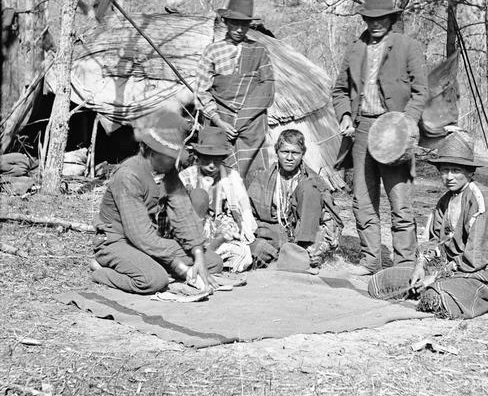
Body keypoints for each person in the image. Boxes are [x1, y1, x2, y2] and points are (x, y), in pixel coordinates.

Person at [332, 0, 428, 276]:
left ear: (391, 19)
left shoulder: (407, 46)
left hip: (395, 131)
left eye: (381, 18)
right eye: (370, 19)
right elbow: (339, 90)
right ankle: (371, 259)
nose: (376, 24)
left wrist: (405, 122)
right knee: (362, 199)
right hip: (361, 130)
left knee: (399, 201)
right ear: (364, 19)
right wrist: (346, 115)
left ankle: (404, 263)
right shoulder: (355, 48)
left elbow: (421, 91)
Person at [368, 131, 488, 319]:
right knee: (381, 282)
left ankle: (449, 292)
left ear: (470, 172)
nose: (449, 177)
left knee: (435, 296)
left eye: (456, 171)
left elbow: (476, 258)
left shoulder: (482, 200)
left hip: (479, 273)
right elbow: (434, 240)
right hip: (445, 267)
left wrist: (435, 276)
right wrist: (421, 266)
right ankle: (427, 286)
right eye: (444, 170)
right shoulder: (446, 200)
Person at [90, 111, 222, 295]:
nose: (173, 161)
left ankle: (153, 264)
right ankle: (101, 270)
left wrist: (198, 254)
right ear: (149, 151)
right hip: (118, 242)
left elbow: (183, 213)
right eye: (168, 155)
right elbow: (140, 236)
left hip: (148, 244)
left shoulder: (169, 173)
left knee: (213, 262)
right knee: (153, 280)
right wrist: (180, 268)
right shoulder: (128, 176)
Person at [195, 0, 275, 181]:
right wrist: (219, 121)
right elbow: (202, 91)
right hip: (220, 121)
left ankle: (249, 207)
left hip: (252, 124)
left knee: (254, 175)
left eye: (244, 24)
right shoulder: (212, 51)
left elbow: (267, 89)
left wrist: (243, 119)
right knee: (217, 169)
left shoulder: (259, 50)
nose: (239, 29)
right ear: (225, 21)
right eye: (234, 23)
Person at [248, 129, 343, 269]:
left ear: (302, 154)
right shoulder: (262, 179)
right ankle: (286, 254)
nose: (289, 158)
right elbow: (250, 216)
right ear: (277, 152)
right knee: (255, 250)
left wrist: (323, 244)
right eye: (285, 152)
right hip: (273, 233)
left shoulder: (313, 181)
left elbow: (329, 218)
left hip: (306, 235)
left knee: (309, 189)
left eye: (295, 153)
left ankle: (299, 252)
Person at [179, 126, 257, 273]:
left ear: (222, 159)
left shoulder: (231, 177)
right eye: (207, 160)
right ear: (198, 157)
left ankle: (210, 258)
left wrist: (236, 231)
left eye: (216, 161)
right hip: (193, 233)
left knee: (244, 256)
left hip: (223, 233)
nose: (211, 165)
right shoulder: (185, 177)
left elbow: (243, 210)